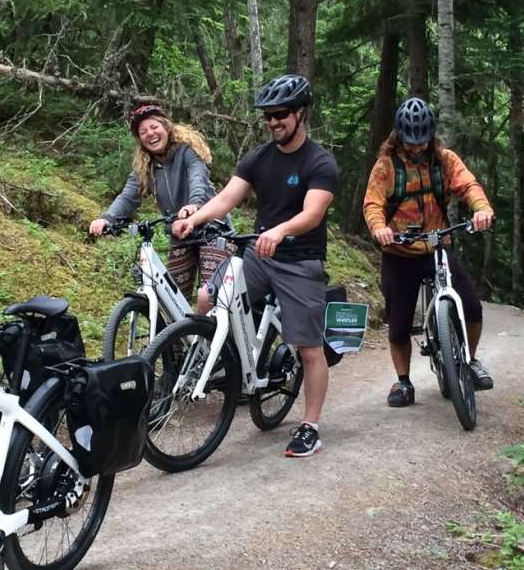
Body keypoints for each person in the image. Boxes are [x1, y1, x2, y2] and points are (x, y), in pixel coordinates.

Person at [173, 74, 339, 458]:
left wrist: (280, 231)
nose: (272, 122)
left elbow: (312, 213)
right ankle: (229, 364)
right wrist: (194, 219)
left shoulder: (320, 162)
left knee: (310, 349)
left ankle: (310, 426)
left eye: (280, 114)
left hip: (300, 261)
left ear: (300, 114)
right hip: (259, 256)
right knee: (207, 298)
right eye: (267, 116)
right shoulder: (259, 157)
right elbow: (228, 197)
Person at [362, 97, 495, 408]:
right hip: (399, 252)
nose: (418, 148)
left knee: (472, 307)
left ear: (431, 135)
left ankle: (470, 360)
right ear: (399, 137)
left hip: (438, 247)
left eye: (423, 141)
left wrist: (482, 208)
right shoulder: (386, 167)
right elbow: (372, 204)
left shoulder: (445, 160)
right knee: (398, 321)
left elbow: (469, 186)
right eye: (411, 142)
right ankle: (403, 382)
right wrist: (380, 227)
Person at [88, 104, 228, 312]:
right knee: (171, 299)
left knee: (210, 296)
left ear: (166, 127)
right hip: (181, 235)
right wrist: (107, 218)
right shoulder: (146, 166)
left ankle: (215, 340)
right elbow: (128, 197)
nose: (150, 134)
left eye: (154, 127)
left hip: (212, 230)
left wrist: (194, 205)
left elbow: (197, 178)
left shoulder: (187, 152)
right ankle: (179, 343)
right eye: (143, 132)